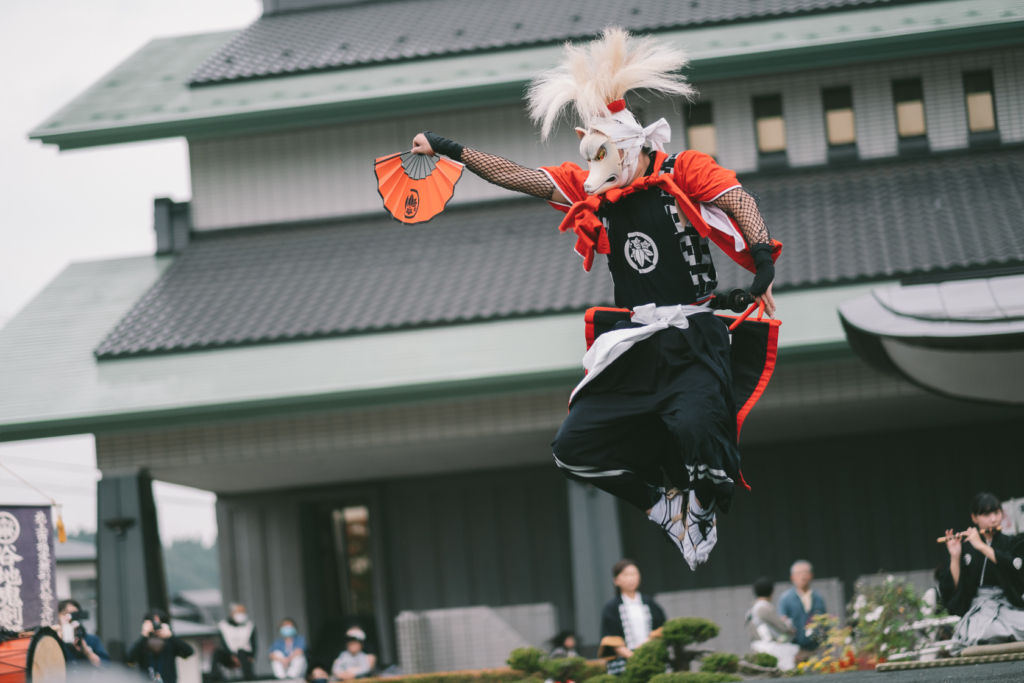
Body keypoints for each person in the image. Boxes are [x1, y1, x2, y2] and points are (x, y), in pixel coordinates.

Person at [411, 27, 781, 571]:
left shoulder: (684, 170)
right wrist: (451, 150)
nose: (595, 173)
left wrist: (763, 259)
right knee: (572, 450)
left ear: (630, 147)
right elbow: (521, 176)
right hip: (636, 342)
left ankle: (699, 510)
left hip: (695, 337)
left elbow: (738, 199)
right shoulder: (593, 190)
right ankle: (665, 511)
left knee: (699, 431)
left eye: (603, 156)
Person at [939, 492, 1024, 656]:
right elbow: (954, 588)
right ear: (974, 518)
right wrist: (955, 556)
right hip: (980, 607)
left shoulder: (1012, 542)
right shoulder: (967, 547)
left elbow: (1016, 567)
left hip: (1008, 604)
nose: (993, 519)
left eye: (997, 513)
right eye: (986, 514)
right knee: (986, 633)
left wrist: (981, 546)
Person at [599, 559, 667, 664]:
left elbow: (661, 629)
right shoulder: (611, 607)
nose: (630, 578)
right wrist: (633, 657)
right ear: (616, 580)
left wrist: (646, 647)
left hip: (652, 657)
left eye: (634, 574)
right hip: (624, 661)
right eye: (626, 575)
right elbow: (611, 638)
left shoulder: (650, 603)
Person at [125, 609, 195, 683]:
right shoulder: (143, 643)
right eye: (153, 623)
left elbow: (189, 652)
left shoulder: (170, 643)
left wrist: (170, 636)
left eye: (159, 623)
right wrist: (144, 635)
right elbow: (130, 659)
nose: (156, 626)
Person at [744, 578, 798, 671]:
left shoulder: (750, 610)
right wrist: (788, 626)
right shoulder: (764, 607)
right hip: (770, 648)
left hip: (757, 647)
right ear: (771, 592)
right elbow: (783, 628)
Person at [777, 561, 826, 662]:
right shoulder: (785, 599)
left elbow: (825, 624)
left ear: (812, 575)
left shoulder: (818, 597)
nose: (803, 576)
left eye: (805, 572)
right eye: (798, 573)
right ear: (792, 577)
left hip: (817, 651)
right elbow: (783, 627)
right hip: (795, 653)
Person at [57, 598, 109, 670]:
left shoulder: (91, 640)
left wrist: (87, 651)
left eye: (74, 614)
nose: (69, 618)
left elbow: (105, 666)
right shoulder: (52, 640)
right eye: (65, 614)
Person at [215, 603, 258, 681]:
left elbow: (254, 643)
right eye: (239, 612)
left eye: (243, 612)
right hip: (229, 655)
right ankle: (214, 678)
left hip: (244, 654)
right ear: (232, 613)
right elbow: (223, 643)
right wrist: (232, 656)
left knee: (241, 652)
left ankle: (249, 679)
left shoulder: (250, 625)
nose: (241, 614)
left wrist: (253, 656)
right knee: (217, 653)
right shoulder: (223, 625)